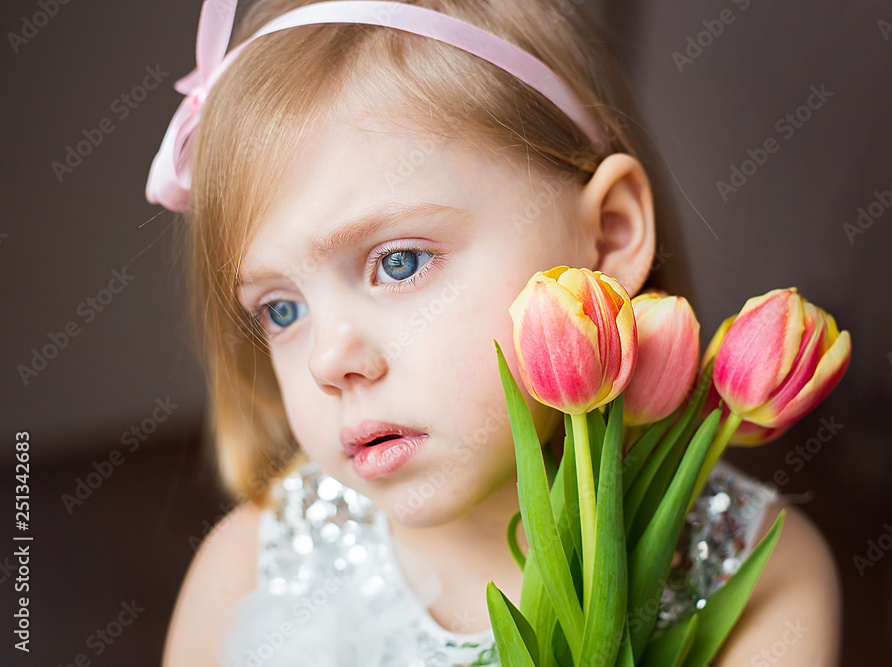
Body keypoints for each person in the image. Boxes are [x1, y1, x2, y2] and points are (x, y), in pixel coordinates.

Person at [151, 1, 841, 665]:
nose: (329, 359)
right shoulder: (247, 570)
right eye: (281, 309)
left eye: (400, 262)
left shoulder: (760, 572)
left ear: (608, 233)